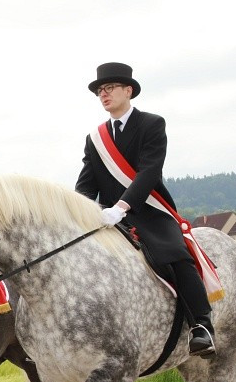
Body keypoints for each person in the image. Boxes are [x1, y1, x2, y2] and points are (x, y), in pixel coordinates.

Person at [75, 62, 215, 356]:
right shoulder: (95, 139)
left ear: (128, 91)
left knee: (176, 255)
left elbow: (149, 172)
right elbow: (86, 185)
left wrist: (122, 206)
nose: (104, 94)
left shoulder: (152, 124)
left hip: (149, 211)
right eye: (100, 91)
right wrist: (79, 213)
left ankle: (201, 325)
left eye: (109, 88)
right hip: (107, 218)